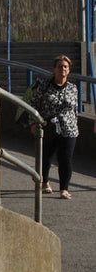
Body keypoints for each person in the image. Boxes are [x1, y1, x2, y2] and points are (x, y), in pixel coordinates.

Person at [31, 54, 81, 199]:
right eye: (60, 67)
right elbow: (34, 105)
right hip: (49, 126)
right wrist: (34, 123)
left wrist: (75, 125)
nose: (63, 69)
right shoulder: (44, 86)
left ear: (69, 70)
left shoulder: (73, 88)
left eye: (65, 67)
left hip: (69, 129)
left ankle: (64, 189)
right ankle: (45, 182)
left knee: (65, 158)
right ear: (54, 69)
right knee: (46, 157)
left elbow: (75, 109)